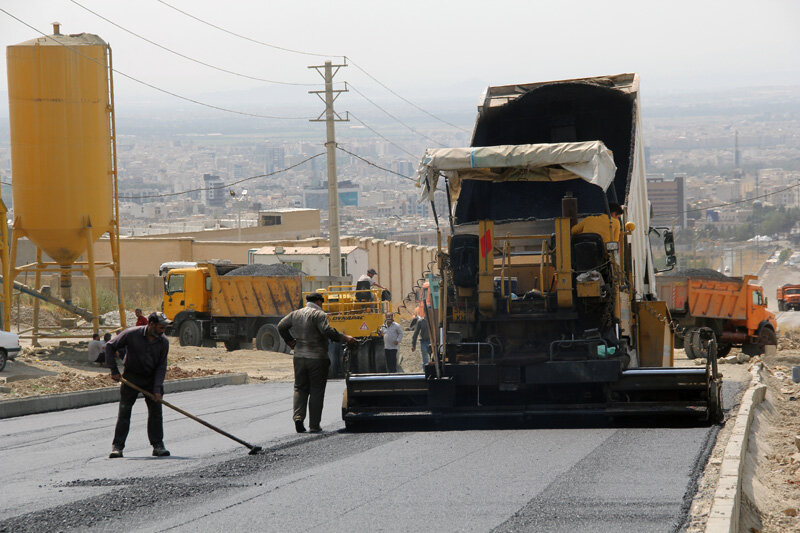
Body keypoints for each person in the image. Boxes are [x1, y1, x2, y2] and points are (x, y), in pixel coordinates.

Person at [278, 293, 355, 434]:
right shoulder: (319, 315)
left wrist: (290, 341)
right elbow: (326, 330)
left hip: (299, 357)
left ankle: (298, 418)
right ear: (319, 302)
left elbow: (281, 326)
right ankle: (314, 425)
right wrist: (345, 338)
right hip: (317, 358)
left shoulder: (295, 314)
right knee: (316, 391)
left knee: (299, 388)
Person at [106, 312, 172, 459]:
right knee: (124, 412)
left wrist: (157, 389)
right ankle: (117, 446)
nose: (163, 331)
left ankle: (158, 445)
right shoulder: (131, 334)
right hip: (131, 377)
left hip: (152, 379)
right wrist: (114, 370)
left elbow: (162, 366)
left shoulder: (163, 342)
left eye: (164, 328)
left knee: (156, 413)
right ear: (151, 325)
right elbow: (110, 346)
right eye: (161, 327)